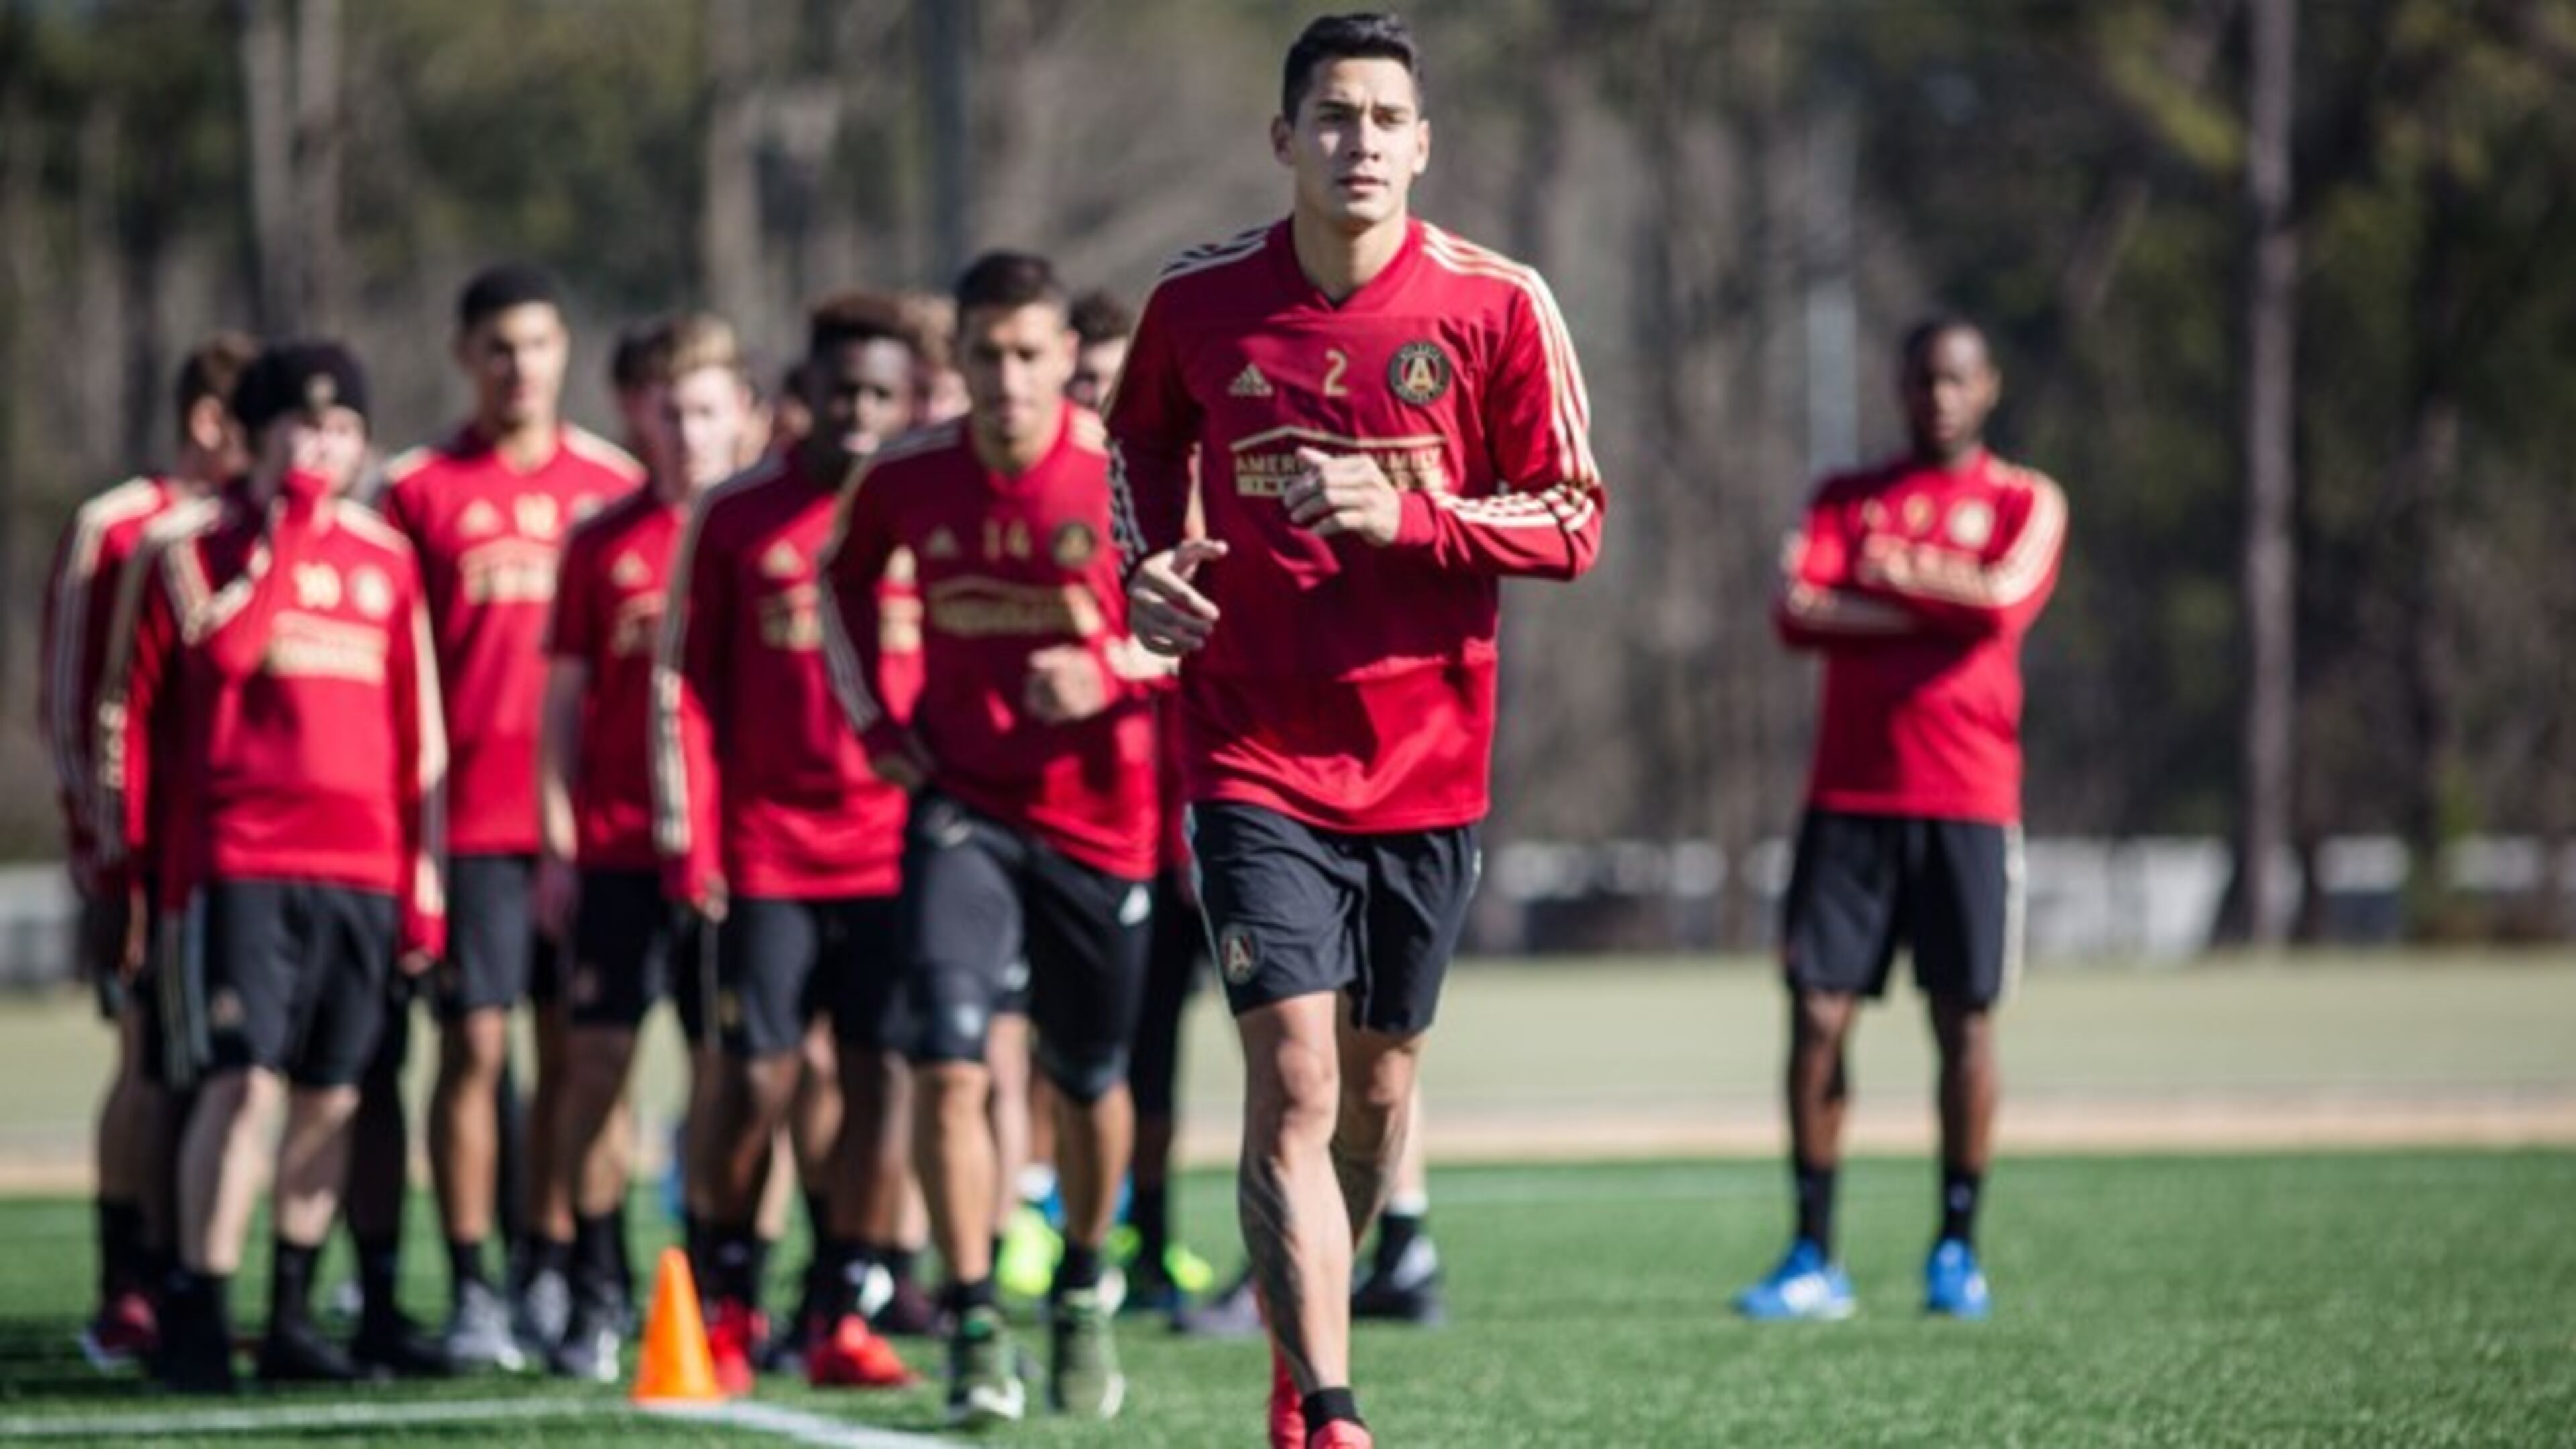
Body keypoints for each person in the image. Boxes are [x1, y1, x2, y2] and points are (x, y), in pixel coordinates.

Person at [1107, 15, 1603, 1446]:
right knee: (1297, 1077)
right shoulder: (1201, 300)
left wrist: (1417, 515)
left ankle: (1296, 1315)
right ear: (1284, 140)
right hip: (1249, 751)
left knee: (1380, 1098)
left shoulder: (1499, 305)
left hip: (1427, 765)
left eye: (1387, 119)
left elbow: (1574, 513)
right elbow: (1136, 443)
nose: (1360, 142)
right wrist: (1143, 573)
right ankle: (1326, 1406)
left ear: (1425, 144)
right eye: (1332, 116)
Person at [822, 249, 1165, 1427]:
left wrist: (1116, 667)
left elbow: (1209, 618)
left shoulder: (1128, 472)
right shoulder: (909, 476)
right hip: (964, 808)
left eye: (1030, 353)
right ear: (955, 363)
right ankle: (971, 1316)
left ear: (1067, 357)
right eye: (987, 356)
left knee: (1089, 1080)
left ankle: (1080, 1281)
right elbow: (841, 584)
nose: (1010, 379)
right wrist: (882, 727)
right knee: (949, 1058)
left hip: (1102, 822)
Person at [96, 341, 446, 1391]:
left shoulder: (388, 557)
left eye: (340, 431)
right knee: (243, 1084)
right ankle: (198, 1306)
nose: (321, 446)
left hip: (365, 872)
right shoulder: (190, 548)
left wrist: (423, 889)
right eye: (299, 426)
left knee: (333, 1092)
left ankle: (293, 1311)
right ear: (252, 437)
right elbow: (219, 659)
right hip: (241, 864)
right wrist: (286, 532)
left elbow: (415, 733)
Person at [1744, 315, 2065, 1322]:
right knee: (1815, 1018)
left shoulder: (2025, 499)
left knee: (1963, 1024)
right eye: (1924, 378)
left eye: (1957, 379)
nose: (1939, 396)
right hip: (1847, 804)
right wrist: (1931, 604)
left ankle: (1956, 1249)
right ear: (1900, 386)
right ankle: (1811, 1254)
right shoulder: (1848, 496)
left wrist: (1881, 578)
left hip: (1968, 803)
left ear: (1990, 388)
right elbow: (1796, 610)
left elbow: (2002, 603)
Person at [653, 291, 923, 1391]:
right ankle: (725, 1297)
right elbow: (686, 686)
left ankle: (842, 1308)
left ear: (904, 402)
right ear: (803, 395)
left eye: (879, 393)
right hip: (765, 851)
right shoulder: (731, 516)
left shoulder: (926, 508)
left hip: (897, 852)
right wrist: (692, 831)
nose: (857, 413)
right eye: (840, 390)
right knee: (752, 1081)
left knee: (880, 1081)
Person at [380, 264, 645, 1368]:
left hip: (592, 829)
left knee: (579, 1057)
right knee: (474, 1048)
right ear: (464, 357)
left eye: (536, 344)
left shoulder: (616, 485)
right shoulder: (417, 489)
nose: (518, 366)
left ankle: (559, 1267)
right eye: (497, 347)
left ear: (564, 352)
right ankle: (477, 1283)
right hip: (472, 827)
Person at [537, 314, 758, 1380]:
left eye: (708, 409)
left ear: (744, 417)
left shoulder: (763, 533)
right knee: (595, 1069)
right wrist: (558, 842)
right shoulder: (599, 540)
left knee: (732, 1074)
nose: (688, 431)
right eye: (670, 411)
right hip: (619, 851)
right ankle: (591, 1285)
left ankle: (724, 1284)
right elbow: (564, 706)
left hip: (731, 857)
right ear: (640, 415)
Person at [40, 332, 255, 1372]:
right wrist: (103, 858)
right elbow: (79, 704)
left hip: (239, 863)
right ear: (217, 425)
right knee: (146, 1063)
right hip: (145, 861)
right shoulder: (121, 528)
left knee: (208, 1068)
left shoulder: (251, 539)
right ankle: (123, 1284)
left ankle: (181, 1278)